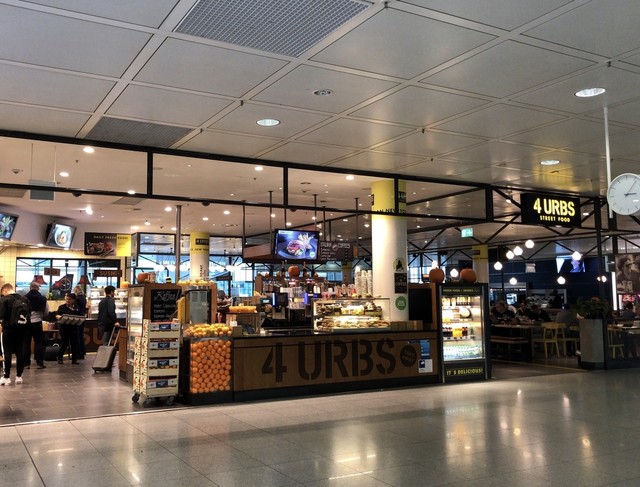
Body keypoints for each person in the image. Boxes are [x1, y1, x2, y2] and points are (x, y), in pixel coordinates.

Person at [0, 283, 30, 385]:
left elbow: (1, 315)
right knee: (19, 352)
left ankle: (6, 377)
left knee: (7, 352)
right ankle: (19, 376)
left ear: (5, 291)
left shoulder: (4, 299)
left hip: (8, 330)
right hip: (21, 329)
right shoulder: (24, 299)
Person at [24, 281, 49, 369]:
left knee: (26, 343)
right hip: (37, 322)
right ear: (38, 288)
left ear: (30, 287)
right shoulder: (42, 298)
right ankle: (39, 363)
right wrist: (41, 316)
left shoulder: (24, 298)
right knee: (38, 343)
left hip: (27, 322)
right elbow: (46, 312)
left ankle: (26, 363)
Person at [55, 293, 82, 364]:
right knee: (65, 343)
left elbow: (80, 315)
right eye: (66, 299)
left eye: (69, 299)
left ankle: (74, 359)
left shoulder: (76, 307)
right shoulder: (62, 307)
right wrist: (59, 317)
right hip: (64, 328)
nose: (67, 300)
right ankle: (60, 357)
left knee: (74, 343)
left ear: (73, 300)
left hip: (73, 327)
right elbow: (57, 315)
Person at [73, 285, 87, 359]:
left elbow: (75, 309)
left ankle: (78, 353)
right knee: (81, 336)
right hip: (82, 318)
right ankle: (82, 352)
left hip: (78, 318)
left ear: (76, 291)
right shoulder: (84, 298)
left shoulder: (77, 299)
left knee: (77, 336)